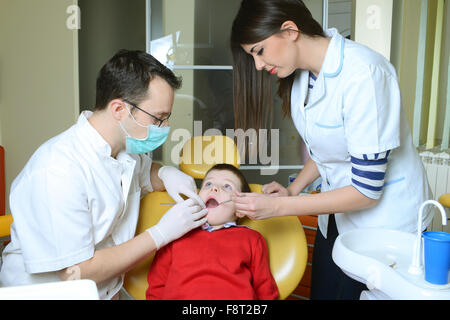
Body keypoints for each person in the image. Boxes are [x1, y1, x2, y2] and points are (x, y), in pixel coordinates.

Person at [229, 0, 432, 300]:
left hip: (384, 226)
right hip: (337, 217)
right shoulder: (301, 75)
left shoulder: (364, 73)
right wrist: (293, 189)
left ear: (289, 30)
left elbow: (366, 190)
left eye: (258, 51)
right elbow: (326, 150)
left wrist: (278, 208)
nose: (258, 65)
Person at [0, 50, 208, 299]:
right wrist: (161, 233)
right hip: (52, 293)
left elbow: (144, 174)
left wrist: (165, 173)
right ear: (119, 109)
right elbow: (76, 272)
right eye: (158, 118)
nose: (164, 128)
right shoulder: (57, 170)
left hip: (107, 290)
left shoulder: (123, 149)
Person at [146, 163, 279, 300]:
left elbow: (265, 290)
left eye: (227, 186)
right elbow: (157, 285)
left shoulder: (251, 239)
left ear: (240, 209)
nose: (214, 188)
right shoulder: (176, 233)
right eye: (208, 184)